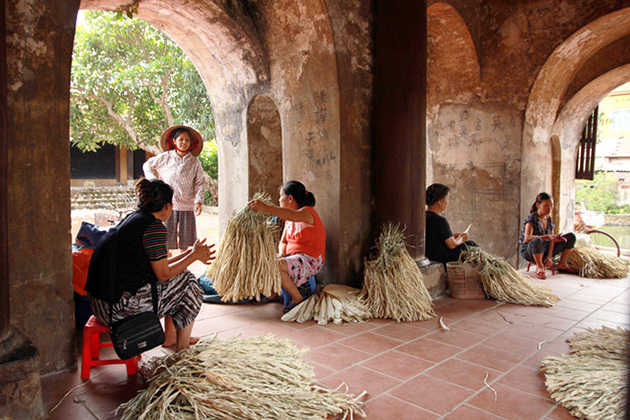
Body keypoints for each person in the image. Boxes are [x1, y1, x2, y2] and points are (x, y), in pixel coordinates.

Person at [84, 178, 214, 352]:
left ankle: (171, 338)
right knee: (189, 284)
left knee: (181, 278)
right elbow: (163, 274)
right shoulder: (153, 228)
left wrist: (191, 254)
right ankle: (182, 351)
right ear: (167, 206)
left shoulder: (135, 219)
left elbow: (159, 266)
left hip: (99, 302)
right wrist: (194, 256)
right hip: (118, 308)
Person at [247, 181, 325, 312]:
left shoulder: (307, 213)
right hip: (294, 258)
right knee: (269, 263)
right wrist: (281, 255)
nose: (279, 200)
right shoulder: (289, 220)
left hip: (310, 260)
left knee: (274, 265)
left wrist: (265, 207)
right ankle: (273, 293)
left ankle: (297, 299)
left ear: (290, 198)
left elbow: (293, 215)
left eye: (281, 196)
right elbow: (283, 241)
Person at [143, 125, 206, 253]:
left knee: (185, 243)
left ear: (191, 142)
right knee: (164, 240)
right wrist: (153, 180)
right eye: (181, 139)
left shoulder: (194, 162)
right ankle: (166, 267)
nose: (184, 142)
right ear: (174, 141)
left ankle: (182, 269)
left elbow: (200, 183)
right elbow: (147, 165)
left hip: (187, 206)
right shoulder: (166, 157)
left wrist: (198, 201)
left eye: (187, 140)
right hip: (167, 205)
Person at [519, 192, 576, 279]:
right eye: (546, 205)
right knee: (537, 240)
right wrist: (546, 237)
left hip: (544, 249)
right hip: (530, 250)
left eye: (551, 205)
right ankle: (540, 266)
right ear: (538, 205)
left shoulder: (548, 219)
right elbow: (527, 238)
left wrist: (549, 257)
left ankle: (562, 264)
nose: (549, 208)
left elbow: (551, 239)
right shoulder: (531, 219)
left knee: (570, 237)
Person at [425, 183, 478, 265]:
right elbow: (452, 245)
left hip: (428, 255)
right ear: (440, 202)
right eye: (447, 199)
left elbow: (436, 238)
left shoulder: (423, 216)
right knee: (470, 245)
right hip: (440, 257)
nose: (448, 202)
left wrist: (452, 236)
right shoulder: (440, 220)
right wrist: (462, 239)